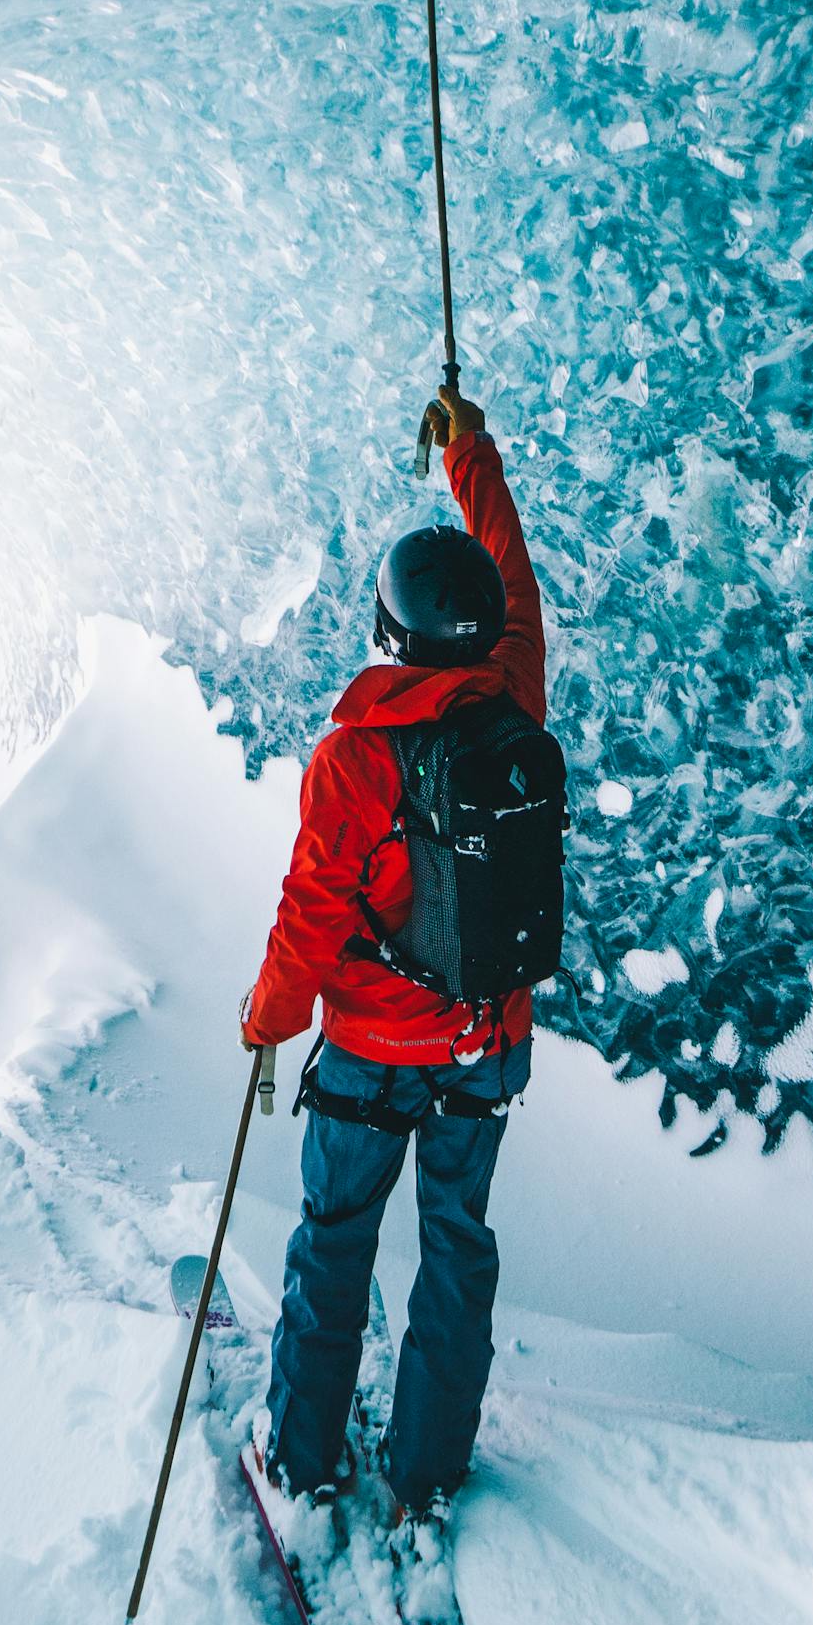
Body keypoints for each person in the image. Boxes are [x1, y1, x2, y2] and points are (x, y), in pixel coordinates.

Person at [241, 380, 548, 1538]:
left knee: (334, 1248)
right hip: (487, 1046)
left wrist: (269, 1021)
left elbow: (312, 912)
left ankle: (305, 1462)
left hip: (372, 1058)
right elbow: (514, 580)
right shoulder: (512, 691)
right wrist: (473, 457)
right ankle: (427, 1472)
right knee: (458, 1251)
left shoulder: (354, 761)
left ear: (390, 632)